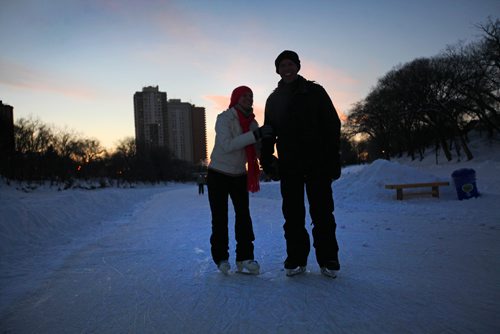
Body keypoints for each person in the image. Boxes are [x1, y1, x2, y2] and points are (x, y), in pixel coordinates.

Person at [260, 50, 342, 278]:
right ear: (277, 70)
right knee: (293, 215)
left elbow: (332, 125)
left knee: (323, 213)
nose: (286, 69)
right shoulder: (274, 100)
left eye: (290, 64)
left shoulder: (315, 92)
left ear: (297, 67)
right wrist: (266, 159)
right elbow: (268, 132)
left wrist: (334, 158)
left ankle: (329, 259)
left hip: (318, 163)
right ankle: (296, 259)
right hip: (290, 165)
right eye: (282, 65)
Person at [207, 85, 273, 275]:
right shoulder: (224, 118)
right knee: (220, 218)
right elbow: (227, 145)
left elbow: (258, 149)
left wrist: (270, 162)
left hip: (238, 175)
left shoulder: (252, 124)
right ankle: (221, 258)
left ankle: (245, 257)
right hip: (218, 173)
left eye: (251, 96)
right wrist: (255, 135)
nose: (248, 98)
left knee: (243, 217)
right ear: (235, 98)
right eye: (244, 96)